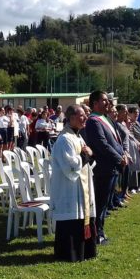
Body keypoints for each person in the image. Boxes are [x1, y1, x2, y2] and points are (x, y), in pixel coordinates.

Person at [49, 104, 97, 262]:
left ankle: (84, 251)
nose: (85, 118)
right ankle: (69, 254)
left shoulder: (77, 136)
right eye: (82, 115)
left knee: (82, 216)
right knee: (71, 218)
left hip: (79, 186)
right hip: (68, 188)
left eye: (85, 115)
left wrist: (88, 155)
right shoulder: (64, 139)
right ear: (71, 118)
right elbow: (69, 168)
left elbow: (85, 154)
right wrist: (86, 156)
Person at [83, 90, 125, 245]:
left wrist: (123, 153)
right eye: (104, 100)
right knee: (100, 203)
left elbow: (116, 140)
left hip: (112, 166)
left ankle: (100, 232)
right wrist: (119, 158)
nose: (108, 102)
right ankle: (96, 234)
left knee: (105, 203)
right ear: (95, 103)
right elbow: (102, 144)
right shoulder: (93, 121)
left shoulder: (106, 118)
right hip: (103, 168)